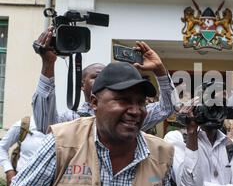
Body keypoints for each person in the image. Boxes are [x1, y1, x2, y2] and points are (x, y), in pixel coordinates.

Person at [0, 62, 174, 186]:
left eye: (141, 102)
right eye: (123, 100)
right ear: (94, 103)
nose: (135, 111)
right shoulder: (61, 143)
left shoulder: (161, 154)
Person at [31, 27, 176, 134]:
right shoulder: (71, 119)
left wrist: (160, 70)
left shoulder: (128, 116)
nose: (103, 81)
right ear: (82, 84)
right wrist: (48, 64)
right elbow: (45, 126)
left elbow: (167, 108)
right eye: (96, 77)